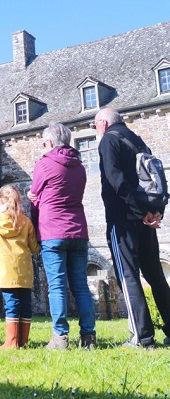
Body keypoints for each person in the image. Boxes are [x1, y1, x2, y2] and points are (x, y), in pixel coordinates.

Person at [94, 108, 170, 349]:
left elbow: (116, 181)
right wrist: (154, 213)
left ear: (103, 123)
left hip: (123, 220)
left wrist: (140, 212)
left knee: (128, 276)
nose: (96, 130)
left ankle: (143, 337)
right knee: (156, 276)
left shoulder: (109, 140)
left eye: (95, 125)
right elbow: (156, 179)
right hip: (146, 220)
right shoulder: (137, 140)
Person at [28, 122, 96, 350]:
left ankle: (60, 337)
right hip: (78, 230)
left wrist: (34, 205)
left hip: (52, 231)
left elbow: (35, 196)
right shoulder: (80, 166)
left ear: (48, 143)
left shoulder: (44, 164)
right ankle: (88, 337)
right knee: (80, 286)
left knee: (57, 286)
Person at [0, 185, 40, 349]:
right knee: (25, 303)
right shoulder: (26, 222)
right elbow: (34, 247)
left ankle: (11, 341)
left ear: (1, 201)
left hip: (5, 269)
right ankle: (23, 341)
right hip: (24, 268)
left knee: (11, 304)